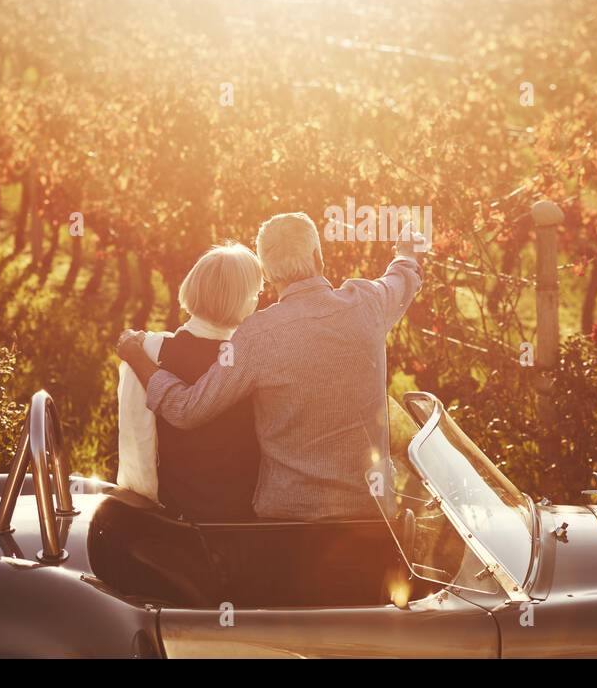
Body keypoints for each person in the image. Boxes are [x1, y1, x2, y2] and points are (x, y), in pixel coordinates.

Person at [117, 212, 423, 521]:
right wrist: (406, 253)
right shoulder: (368, 302)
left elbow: (187, 409)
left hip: (288, 528)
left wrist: (136, 355)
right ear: (318, 256)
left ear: (267, 273)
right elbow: (401, 279)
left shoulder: (257, 335)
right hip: (371, 518)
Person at [115, 242, 262, 521]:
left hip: (174, 511)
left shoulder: (149, 349)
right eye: (255, 293)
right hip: (240, 516)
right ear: (244, 299)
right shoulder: (251, 361)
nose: (257, 300)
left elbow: (138, 438)